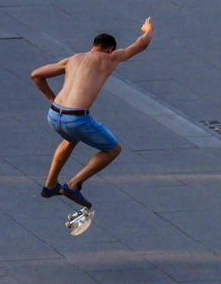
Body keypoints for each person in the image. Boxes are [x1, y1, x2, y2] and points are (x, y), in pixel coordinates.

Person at [30, 18, 153, 207]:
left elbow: (36, 75)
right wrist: (147, 30)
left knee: (70, 139)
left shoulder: (72, 59)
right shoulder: (110, 58)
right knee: (113, 149)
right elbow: (140, 45)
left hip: (54, 115)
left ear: (92, 46)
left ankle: (49, 185)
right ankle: (73, 184)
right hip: (76, 118)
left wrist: (51, 98)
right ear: (110, 49)